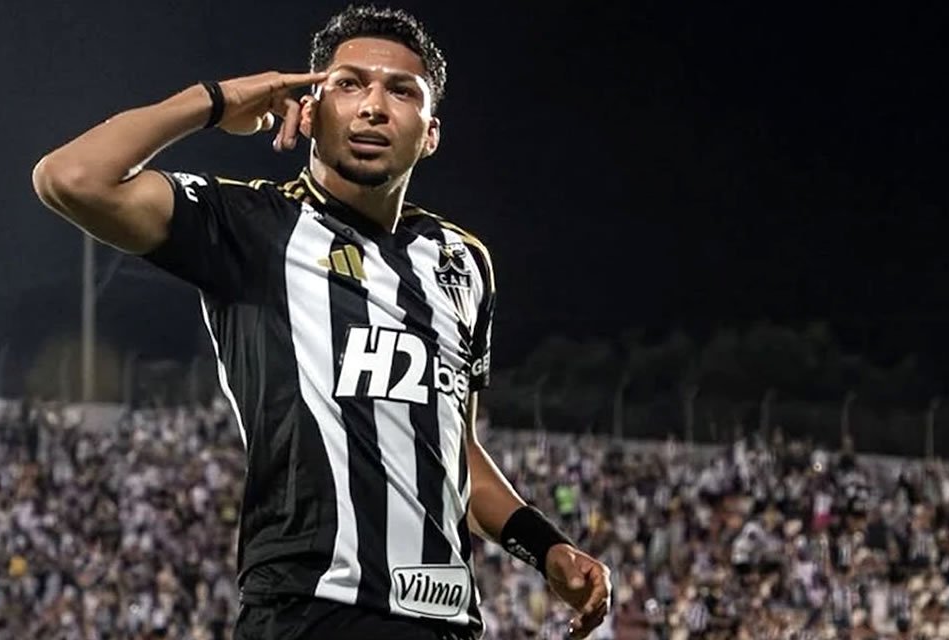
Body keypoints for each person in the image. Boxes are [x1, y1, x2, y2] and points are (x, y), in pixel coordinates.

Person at [31, 4, 611, 639]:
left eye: (401, 91)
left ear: (430, 132)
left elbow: (457, 450)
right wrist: (217, 101)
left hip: (447, 621)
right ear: (308, 111)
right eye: (349, 84)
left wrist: (545, 548)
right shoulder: (251, 227)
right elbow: (71, 177)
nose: (373, 106)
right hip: (310, 611)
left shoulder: (461, 262)